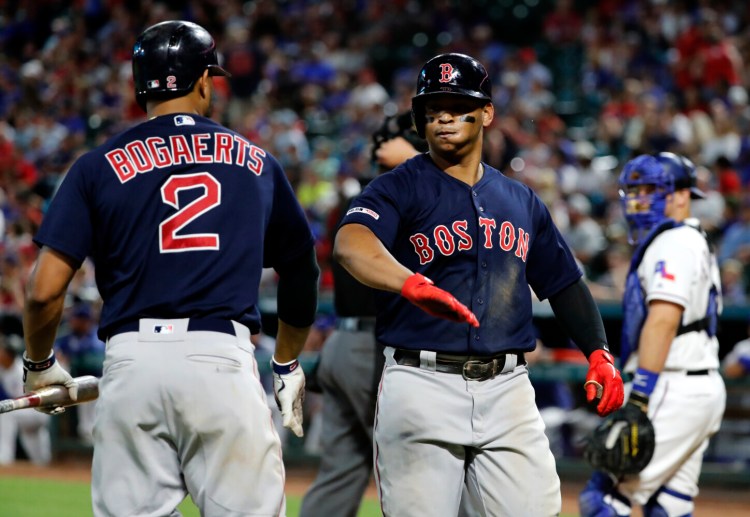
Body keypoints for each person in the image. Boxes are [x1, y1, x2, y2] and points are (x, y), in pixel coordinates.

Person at [21, 20, 319, 517]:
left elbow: (43, 291)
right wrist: (286, 365)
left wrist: (38, 365)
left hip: (131, 364)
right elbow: (302, 270)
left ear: (139, 89)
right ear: (205, 81)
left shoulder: (95, 166)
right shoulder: (258, 162)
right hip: (220, 360)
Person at [333, 52, 624, 517]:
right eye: (433, 107)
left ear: (486, 112)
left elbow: (564, 282)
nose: (444, 116)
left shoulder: (520, 200)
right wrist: (410, 284)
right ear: (420, 118)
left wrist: (598, 351)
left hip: (508, 388)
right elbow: (350, 243)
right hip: (421, 383)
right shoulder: (397, 187)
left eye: (456, 103)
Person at [579, 152, 726, 517]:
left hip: (670, 387)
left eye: (651, 189)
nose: (640, 199)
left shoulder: (673, 241)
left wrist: (641, 396)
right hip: (698, 387)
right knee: (669, 506)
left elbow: (663, 319)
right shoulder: (692, 239)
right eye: (635, 190)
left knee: (603, 499)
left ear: (682, 195)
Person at [299, 111, 423, 517]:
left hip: (342, 344)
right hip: (372, 350)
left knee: (341, 472)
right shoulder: (398, 199)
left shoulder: (356, 200)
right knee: (412, 471)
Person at [53, 302, 105, 444]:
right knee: (86, 422)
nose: (73, 321)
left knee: (93, 415)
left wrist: (72, 357)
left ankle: (92, 440)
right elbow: (56, 349)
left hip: (99, 381)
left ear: (86, 320)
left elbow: (94, 361)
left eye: (77, 319)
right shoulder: (69, 335)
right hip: (79, 381)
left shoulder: (96, 335)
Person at [0, 334, 52, 465]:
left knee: (7, 413)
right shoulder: (3, 369)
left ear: (8, 354)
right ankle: (43, 468)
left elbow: (23, 401)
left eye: (2, 350)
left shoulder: (21, 371)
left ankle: (4, 460)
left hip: (36, 410)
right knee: (40, 462)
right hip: (24, 414)